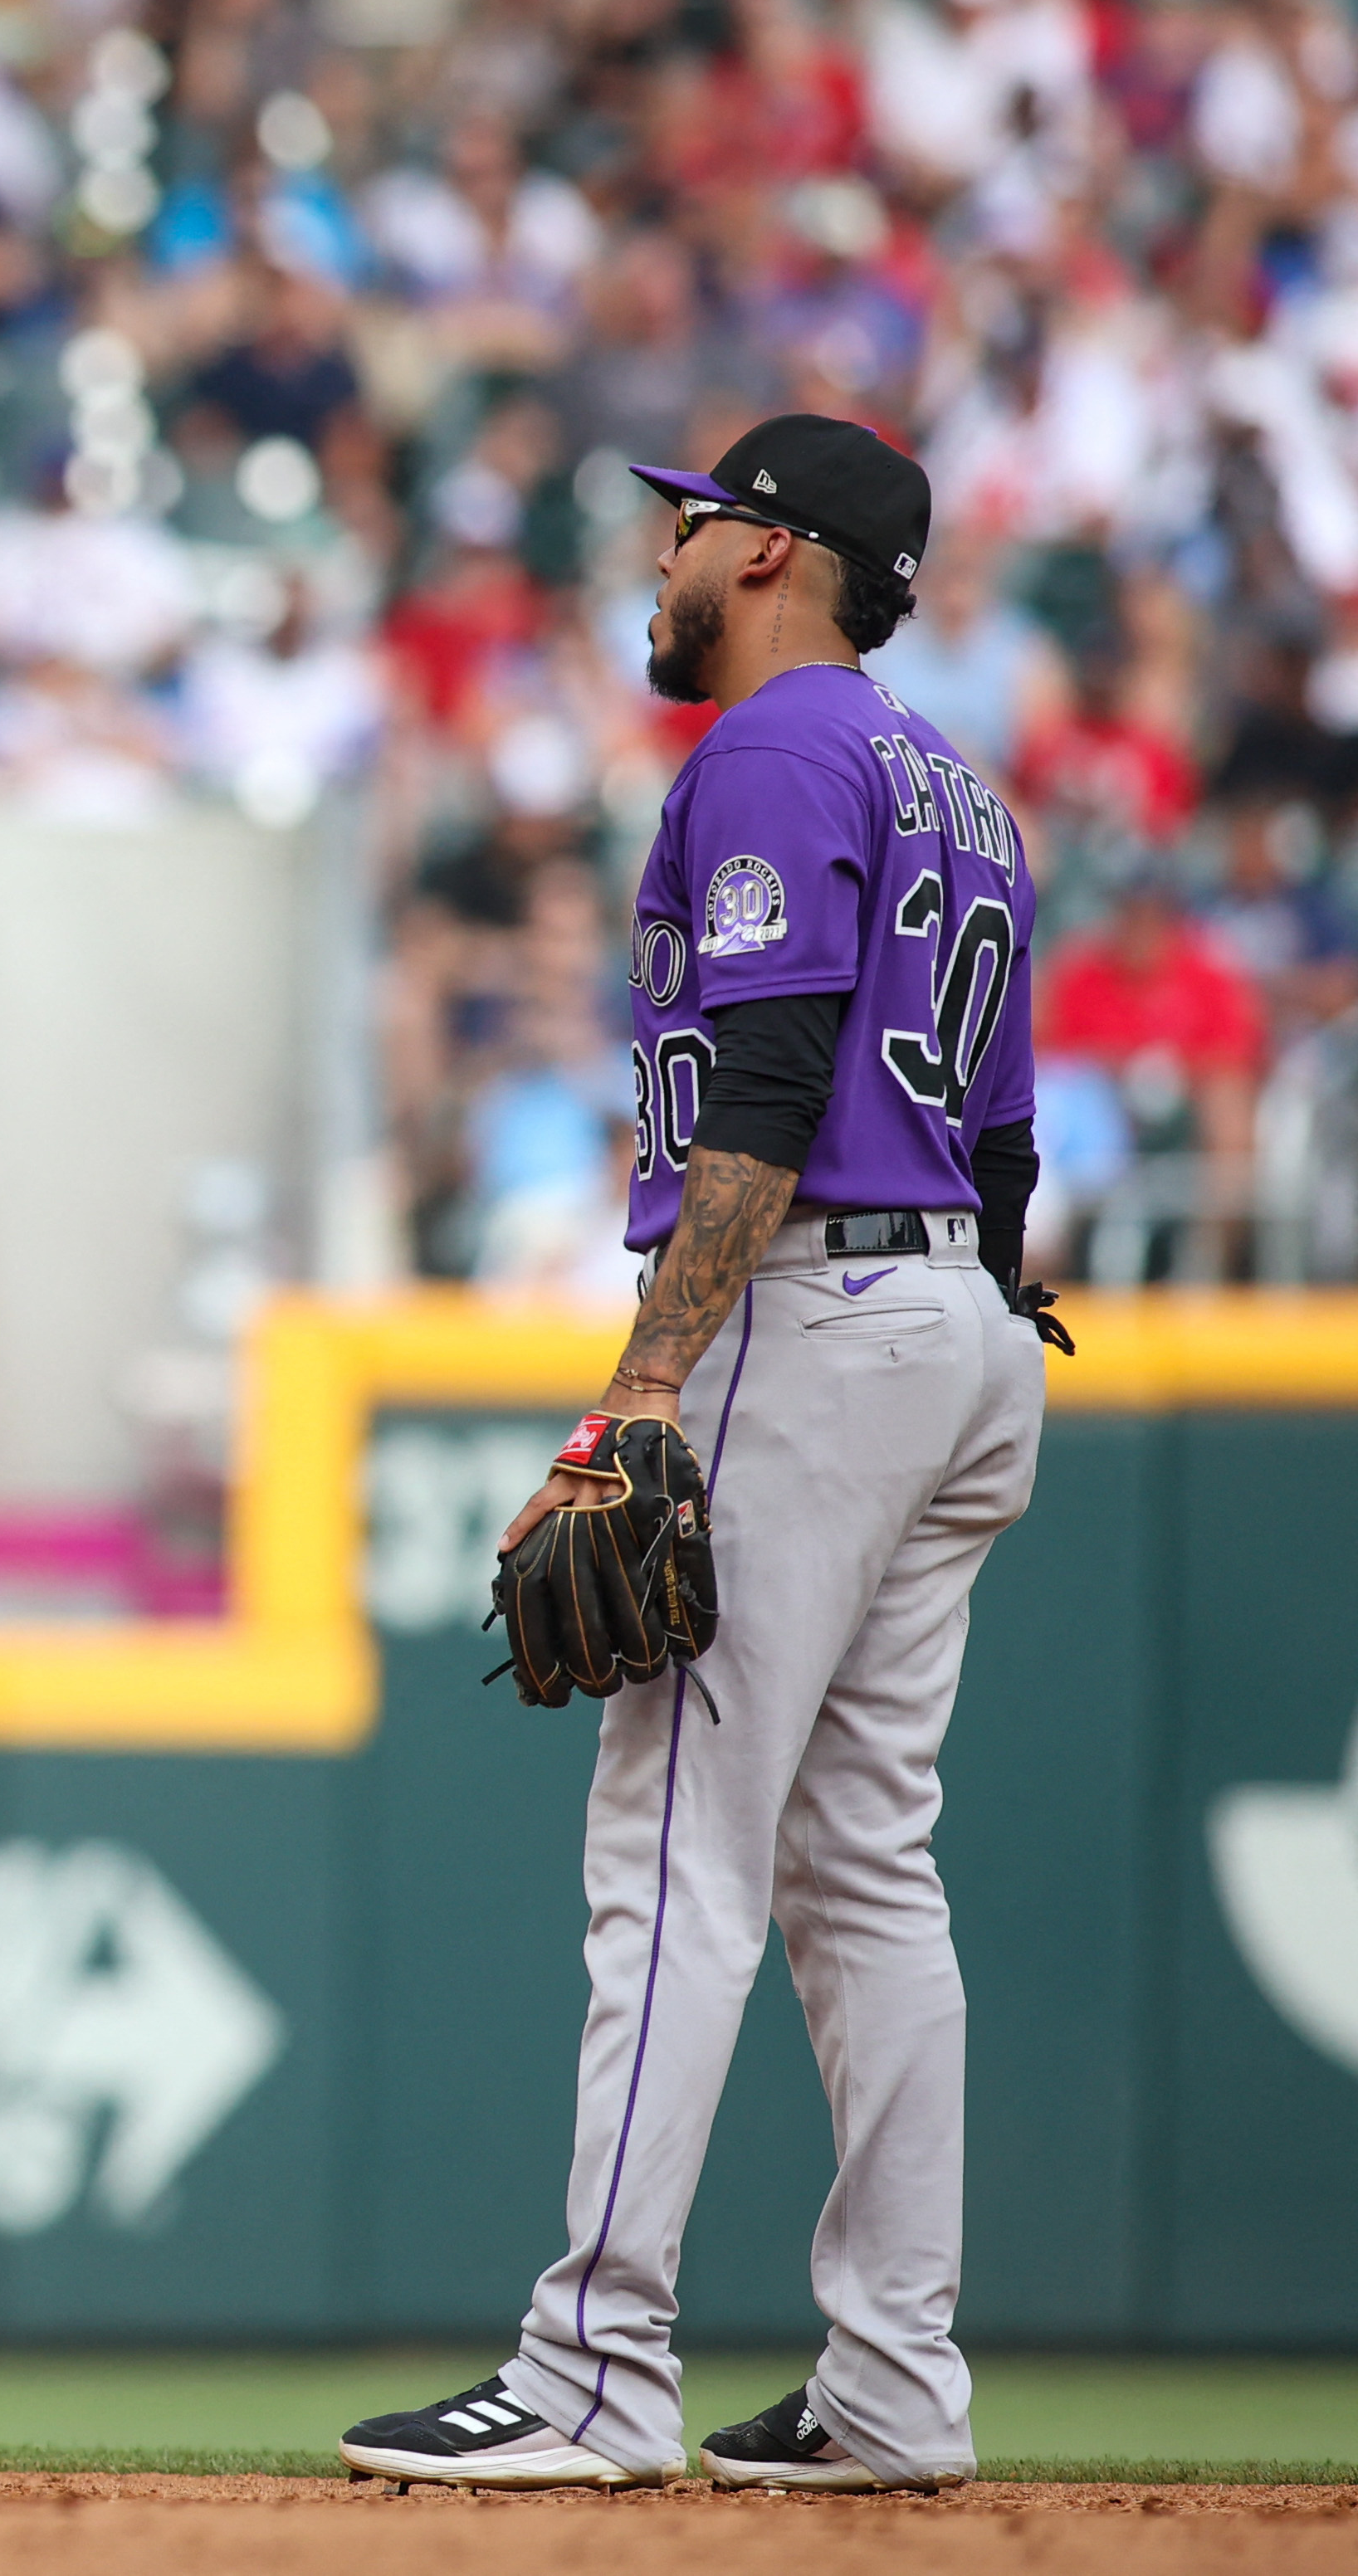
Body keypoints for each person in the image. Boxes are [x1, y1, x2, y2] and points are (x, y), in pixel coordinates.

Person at [340, 419, 1062, 2494]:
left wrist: (646, 1386)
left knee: (671, 1854)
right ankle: (894, 2387)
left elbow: (765, 1073)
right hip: (955, 1323)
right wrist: (957, 1321)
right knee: (866, 1868)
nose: (662, 554)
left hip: (811, 1308)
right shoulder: (964, 788)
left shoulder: (769, 750)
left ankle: (594, 2368)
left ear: (769, 550)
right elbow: (1003, 1143)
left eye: (689, 521)